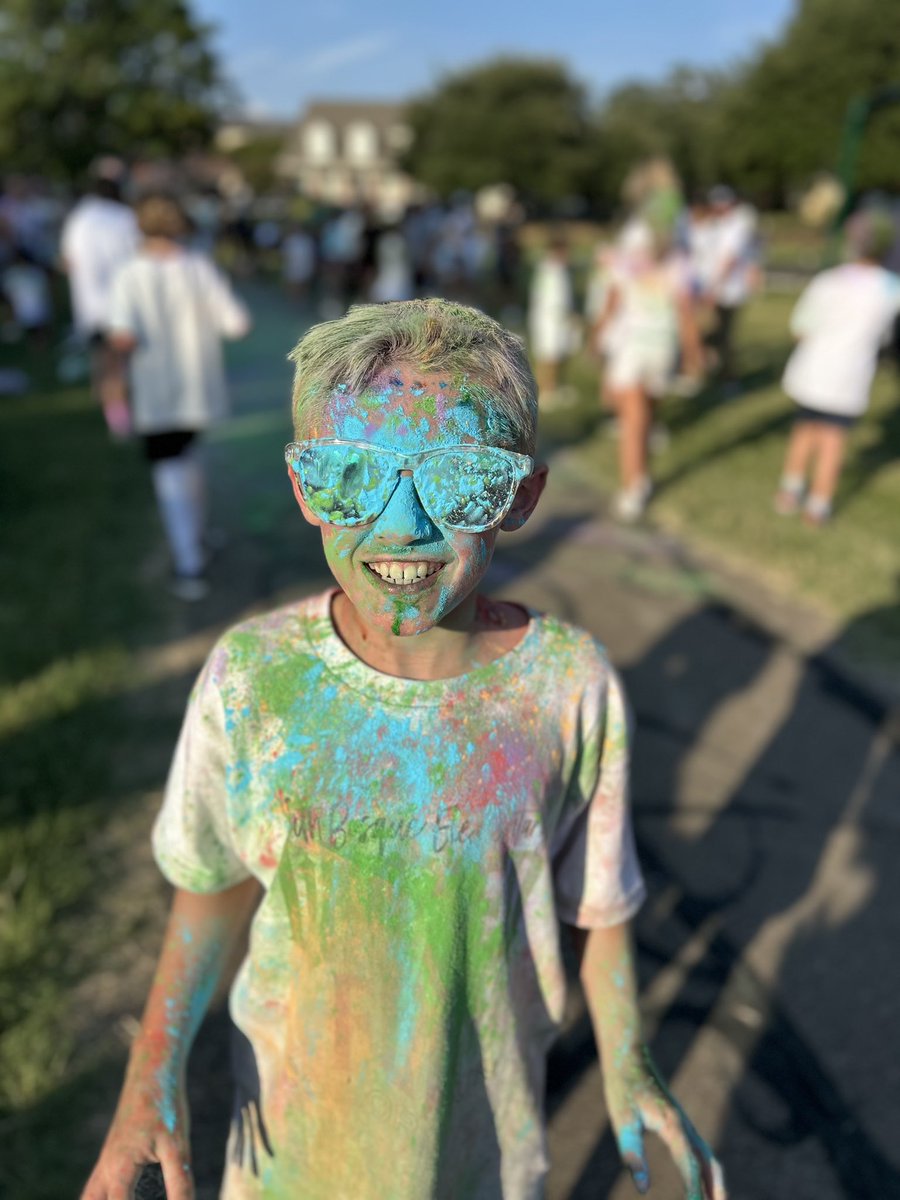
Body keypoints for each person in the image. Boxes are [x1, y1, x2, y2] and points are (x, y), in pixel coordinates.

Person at [81, 299, 726, 1200]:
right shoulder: (252, 678)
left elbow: (600, 904)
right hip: (289, 1152)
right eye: (353, 476)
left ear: (521, 497)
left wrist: (625, 1059)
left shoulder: (568, 687)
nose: (405, 526)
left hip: (485, 1148)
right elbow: (211, 884)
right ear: (307, 488)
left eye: (460, 480)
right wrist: (149, 1077)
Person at [105, 193, 251, 599]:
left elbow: (122, 336)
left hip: (155, 391)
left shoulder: (128, 274)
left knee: (169, 471)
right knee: (190, 459)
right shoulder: (198, 267)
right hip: (197, 386)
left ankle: (188, 560)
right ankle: (198, 537)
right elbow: (237, 323)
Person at [774, 209, 900, 526]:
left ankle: (790, 490)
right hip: (849, 376)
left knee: (804, 430)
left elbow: (800, 328)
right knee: (833, 440)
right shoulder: (889, 289)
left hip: (812, 370)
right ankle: (818, 505)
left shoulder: (828, 281)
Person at [598, 225, 702, 521]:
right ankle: (640, 474)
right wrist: (693, 353)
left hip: (634, 347)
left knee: (633, 420)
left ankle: (634, 487)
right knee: (644, 413)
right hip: (662, 348)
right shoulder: (679, 265)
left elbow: (612, 303)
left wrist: (598, 335)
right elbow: (686, 314)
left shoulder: (626, 261)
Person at [60, 159, 139, 427]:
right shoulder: (125, 217)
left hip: (90, 305)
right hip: (122, 304)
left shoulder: (78, 219)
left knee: (103, 361)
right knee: (120, 364)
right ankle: (120, 417)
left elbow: (67, 261)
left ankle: (112, 409)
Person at [704, 187, 759, 388]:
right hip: (720, 288)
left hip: (730, 290)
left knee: (724, 336)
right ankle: (715, 370)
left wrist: (714, 286)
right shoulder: (721, 225)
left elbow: (730, 259)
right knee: (716, 333)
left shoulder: (737, 224)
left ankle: (729, 379)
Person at [527, 235, 575, 407]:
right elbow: (550, 298)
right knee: (548, 354)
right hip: (549, 318)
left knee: (558, 352)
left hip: (557, 318)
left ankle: (553, 386)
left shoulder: (558, 269)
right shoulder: (549, 270)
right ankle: (544, 391)